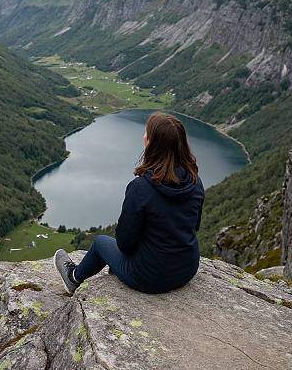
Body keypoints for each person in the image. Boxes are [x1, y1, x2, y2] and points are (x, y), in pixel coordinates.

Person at [53, 111, 205, 295]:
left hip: (150, 278)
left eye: (147, 133)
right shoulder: (195, 182)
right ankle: (116, 268)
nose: (143, 136)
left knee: (101, 243)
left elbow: (125, 243)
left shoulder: (141, 188)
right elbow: (192, 227)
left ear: (152, 143)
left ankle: (73, 277)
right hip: (187, 269)